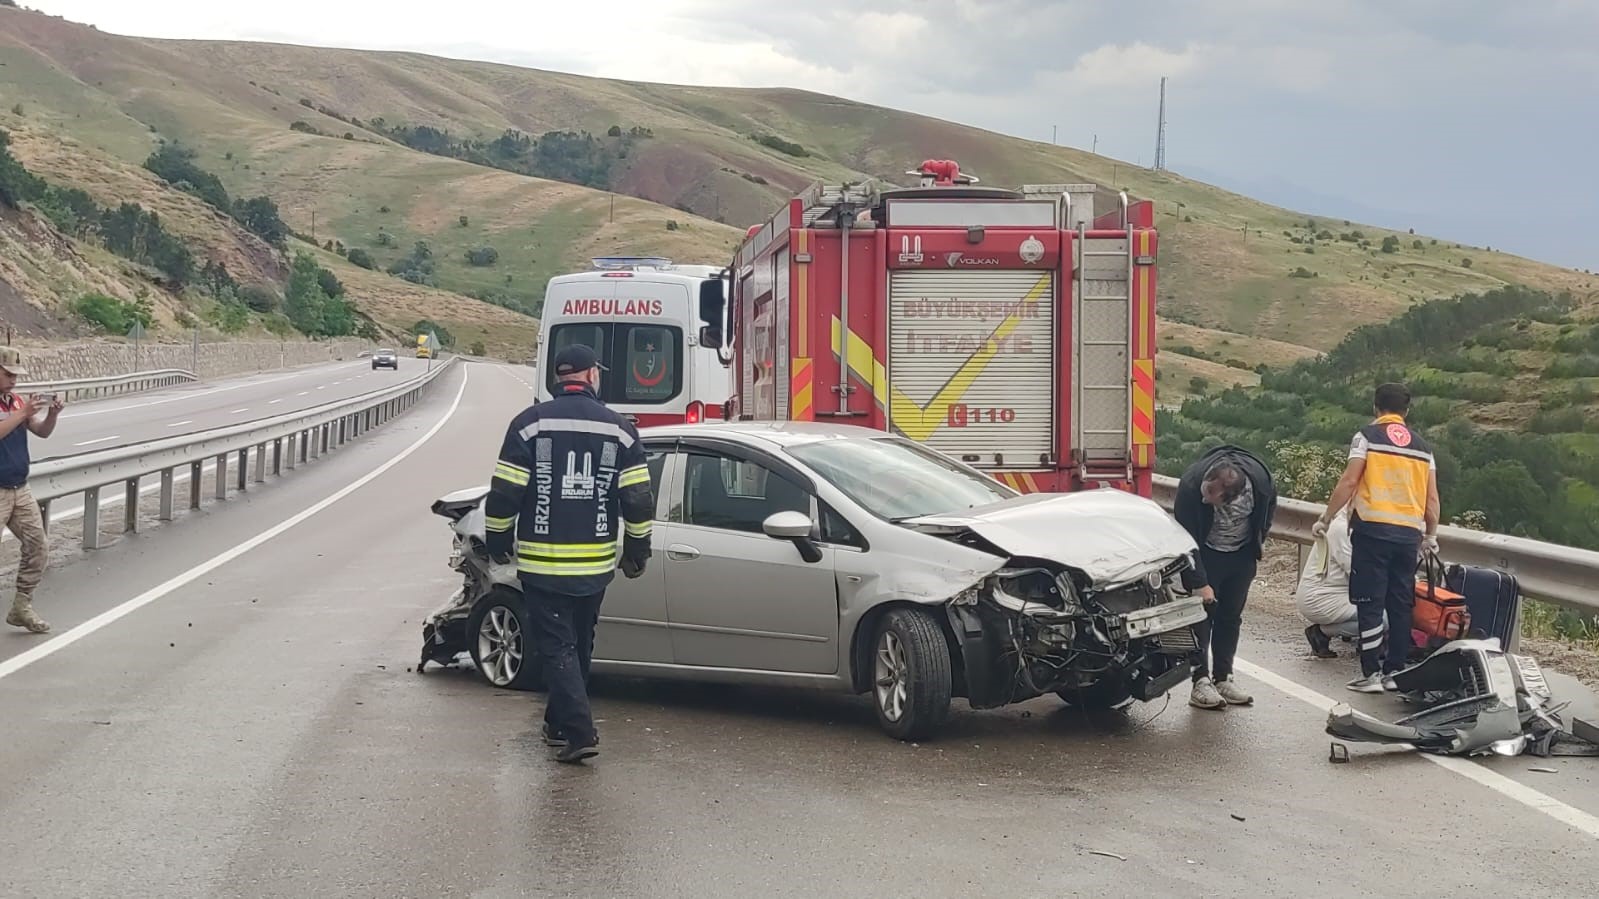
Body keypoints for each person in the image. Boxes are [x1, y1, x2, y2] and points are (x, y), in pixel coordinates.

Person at [483, 344, 654, 763]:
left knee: (558, 647)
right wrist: (638, 549)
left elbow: (504, 494)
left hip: (543, 563)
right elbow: (638, 499)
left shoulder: (528, 425)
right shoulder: (620, 429)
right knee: (578, 643)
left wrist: (498, 541)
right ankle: (559, 725)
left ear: (559, 377)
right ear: (592, 375)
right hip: (595, 564)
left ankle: (578, 732)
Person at [1313, 382, 1440, 694]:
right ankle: (1395, 671)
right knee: (1400, 603)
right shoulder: (1423, 448)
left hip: (1373, 531)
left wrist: (1326, 518)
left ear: (1375, 407)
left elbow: (1349, 481)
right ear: (1406, 411)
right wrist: (1431, 534)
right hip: (1408, 535)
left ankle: (1371, 673)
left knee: (1370, 602)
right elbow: (1432, 500)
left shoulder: (1367, 437)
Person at [1173, 444, 1277, 710]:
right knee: (1202, 616)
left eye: (1213, 496)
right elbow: (1184, 539)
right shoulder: (1191, 486)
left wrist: (1255, 546)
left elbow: (1266, 514)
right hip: (1206, 552)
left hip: (1240, 554)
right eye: (1206, 491)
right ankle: (1200, 682)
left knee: (1230, 616)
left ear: (1233, 497)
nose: (1205, 499)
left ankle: (1223, 678)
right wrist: (1199, 582)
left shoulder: (1260, 484)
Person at [0, 347, 62, 635]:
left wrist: (51, 415)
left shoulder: (14, 401)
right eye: (8, 374)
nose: (13, 380)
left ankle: (21, 606)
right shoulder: (17, 406)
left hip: (18, 488)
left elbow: (42, 431)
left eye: (16, 375)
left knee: (38, 546)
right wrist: (23, 412)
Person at [1294, 508, 1362, 659]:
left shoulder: (1354, 524)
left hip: (1340, 593)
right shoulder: (1341, 529)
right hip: (1321, 598)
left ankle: (1366, 640)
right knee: (1381, 617)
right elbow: (1358, 572)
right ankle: (1320, 633)